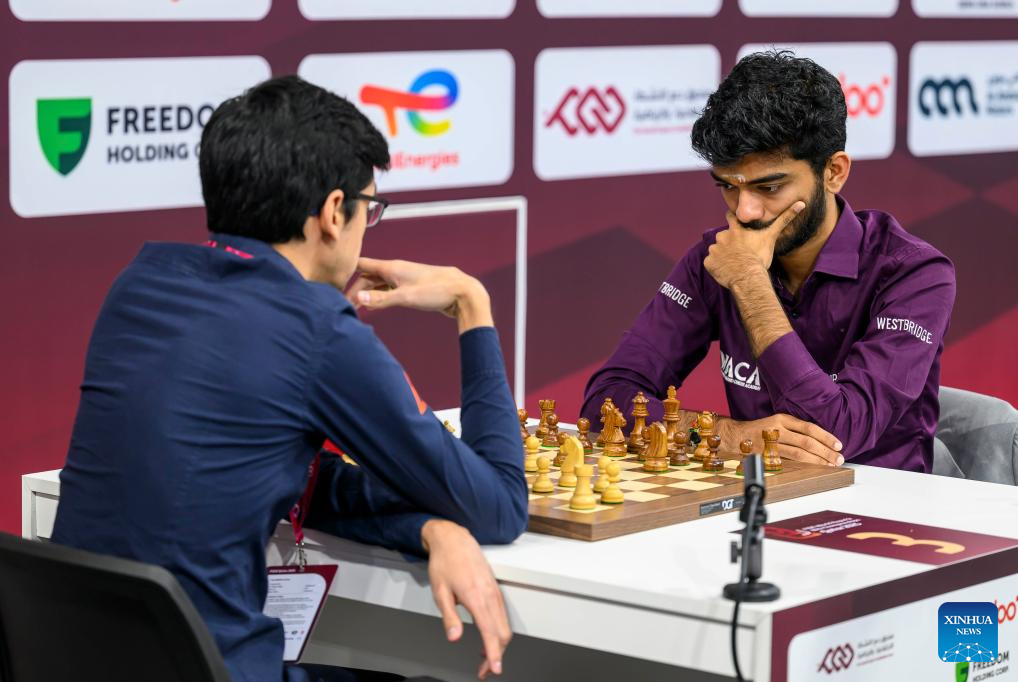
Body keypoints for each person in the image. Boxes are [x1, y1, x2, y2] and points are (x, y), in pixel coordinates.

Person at [51, 75, 528, 682]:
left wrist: (425, 526)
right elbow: (499, 503)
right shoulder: (314, 327)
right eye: (370, 208)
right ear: (333, 212)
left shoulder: (140, 286)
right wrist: (470, 303)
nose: (367, 225)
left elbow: (291, 476)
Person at [582, 50, 956, 473]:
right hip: (759, 498)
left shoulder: (915, 274)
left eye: (769, 187)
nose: (745, 211)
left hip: (882, 502)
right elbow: (605, 401)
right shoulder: (717, 258)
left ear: (834, 172)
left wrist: (750, 282)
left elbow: (837, 436)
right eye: (728, 186)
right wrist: (729, 436)